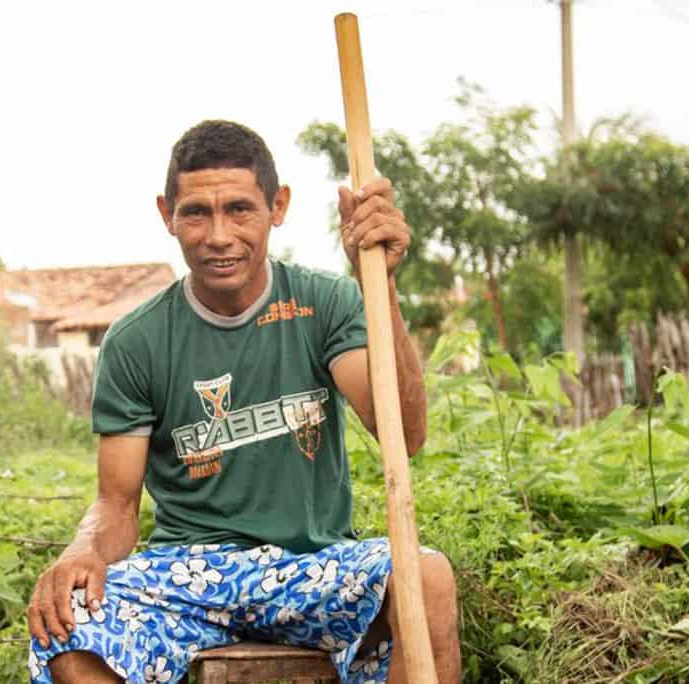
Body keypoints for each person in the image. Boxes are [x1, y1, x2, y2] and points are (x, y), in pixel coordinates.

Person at [27, 120, 460, 684]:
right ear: (167, 215)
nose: (220, 235)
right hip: (188, 576)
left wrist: (380, 284)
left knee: (428, 580)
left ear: (277, 206)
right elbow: (117, 506)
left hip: (313, 566)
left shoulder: (324, 303)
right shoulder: (137, 341)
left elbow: (405, 432)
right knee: (68, 627)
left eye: (239, 209)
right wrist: (82, 550)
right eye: (196, 213)